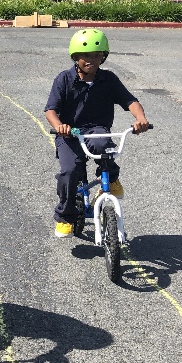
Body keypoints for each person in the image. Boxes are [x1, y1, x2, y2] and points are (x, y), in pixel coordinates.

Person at [44, 29, 150, 238]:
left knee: (105, 146)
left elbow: (130, 101)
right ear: (75, 57)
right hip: (69, 133)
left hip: (96, 130)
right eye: (85, 56)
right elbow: (50, 110)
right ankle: (66, 216)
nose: (91, 60)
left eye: (96, 55)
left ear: (103, 56)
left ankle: (111, 179)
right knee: (69, 172)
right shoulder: (64, 79)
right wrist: (59, 126)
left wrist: (141, 119)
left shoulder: (108, 79)